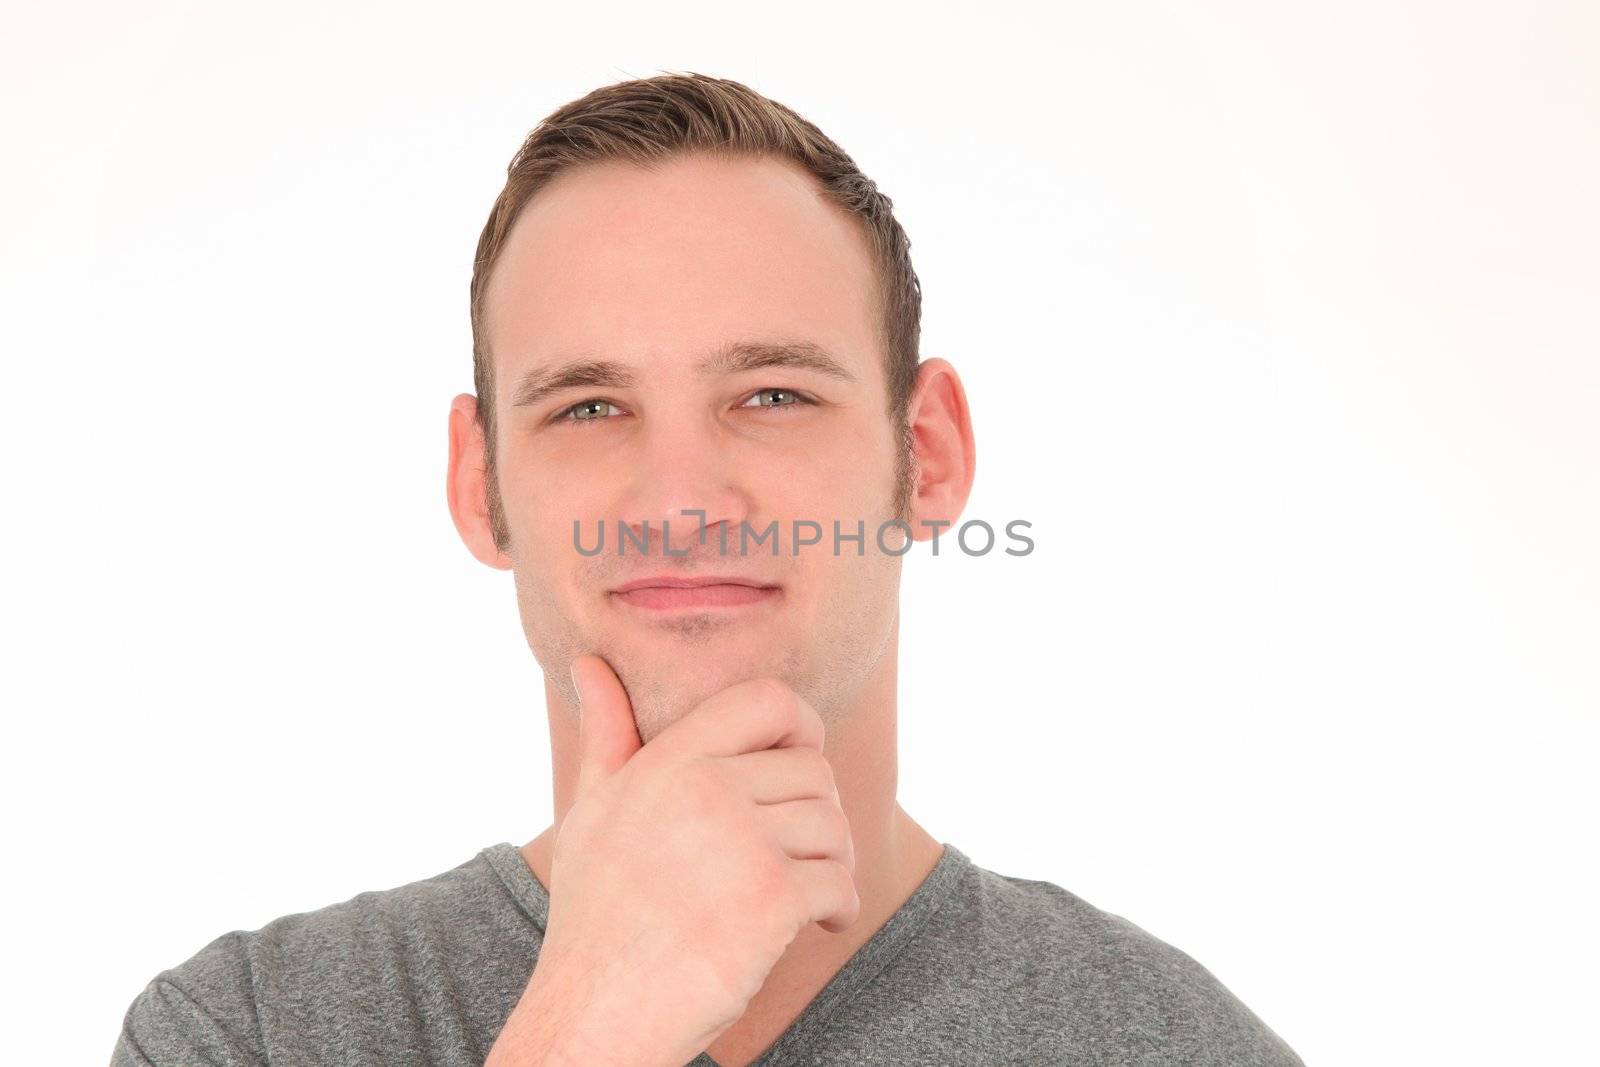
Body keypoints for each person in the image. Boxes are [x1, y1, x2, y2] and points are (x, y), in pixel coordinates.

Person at [111, 72, 1303, 1066]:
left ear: (925, 453)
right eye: (587, 405)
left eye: (772, 393)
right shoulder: (244, 1032)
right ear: (481, 485)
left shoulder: (1170, 1044)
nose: (680, 500)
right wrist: (589, 1028)